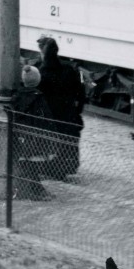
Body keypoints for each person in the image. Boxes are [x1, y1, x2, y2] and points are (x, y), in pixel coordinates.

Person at [34, 37, 85, 179]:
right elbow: (80, 93)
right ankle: (65, 167)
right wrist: (77, 110)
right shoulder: (69, 69)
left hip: (50, 114)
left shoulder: (41, 72)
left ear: (42, 52)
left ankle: (51, 167)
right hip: (68, 113)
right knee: (67, 141)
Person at [10, 65, 55, 201]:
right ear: (38, 80)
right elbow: (46, 118)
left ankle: (30, 188)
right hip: (35, 137)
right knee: (32, 164)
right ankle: (35, 190)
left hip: (20, 135)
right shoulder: (39, 98)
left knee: (25, 162)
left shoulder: (17, 95)